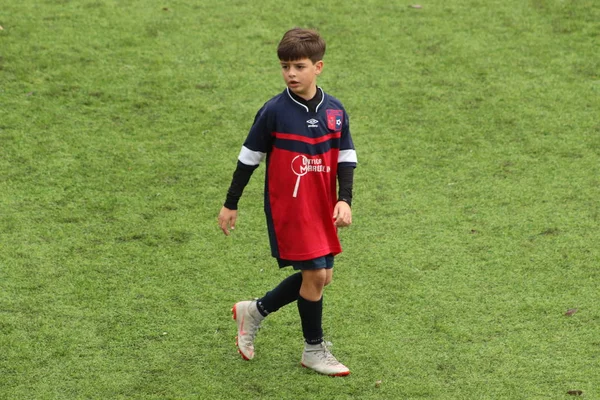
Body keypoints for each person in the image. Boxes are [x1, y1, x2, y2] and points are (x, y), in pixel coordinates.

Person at [217, 27, 357, 377]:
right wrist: (230, 203)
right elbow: (248, 158)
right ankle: (313, 349)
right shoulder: (274, 111)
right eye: (285, 67)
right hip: (290, 208)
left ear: (318, 67)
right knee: (314, 275)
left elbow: (345, 157)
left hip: (322, 207)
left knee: (323, 278)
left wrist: (345, 200)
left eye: (298, 66)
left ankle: (255, 310)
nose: (290, 74)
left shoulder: (335, 111)